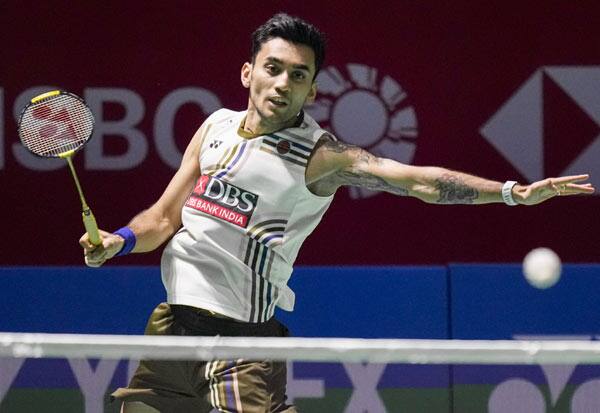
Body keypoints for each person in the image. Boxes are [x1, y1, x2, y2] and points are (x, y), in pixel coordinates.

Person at [79, 13, 595, 413]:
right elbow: (163, 220)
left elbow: (417, 181)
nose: (282, 83)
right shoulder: (215, 127)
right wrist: (120, 240)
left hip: (241, 339)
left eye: (298, 75)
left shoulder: (321, 156)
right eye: (273, 68)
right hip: (173, 324)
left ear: (312, 90)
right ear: (248, 72)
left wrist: (511, 192)